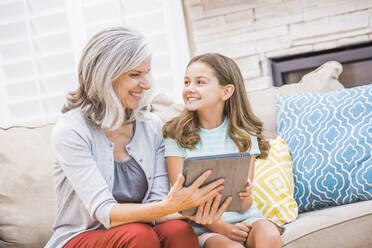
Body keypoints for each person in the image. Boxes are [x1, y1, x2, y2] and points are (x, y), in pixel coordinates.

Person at [45, 27, 230, 248]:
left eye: (147, 72)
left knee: (178, 230)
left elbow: (156, 205)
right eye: (135, 75)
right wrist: (172, 206)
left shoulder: (151, 126)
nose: (146, 84)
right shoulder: (71, 130)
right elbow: (105, 212)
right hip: (81, 236)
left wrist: (191, 212)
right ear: (105, 77)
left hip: (140, 231)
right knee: (139, 235)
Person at [163, 53, 284, 248]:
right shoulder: (176, 135)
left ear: (226, 92)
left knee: (269, 235)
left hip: (246, 218)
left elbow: (244, 205)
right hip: (205, 228)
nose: (190, 89)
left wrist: (246, 195)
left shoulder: (244, 134)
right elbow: (181, 201)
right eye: (187, 82)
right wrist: (224, 228)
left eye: (200, 82)